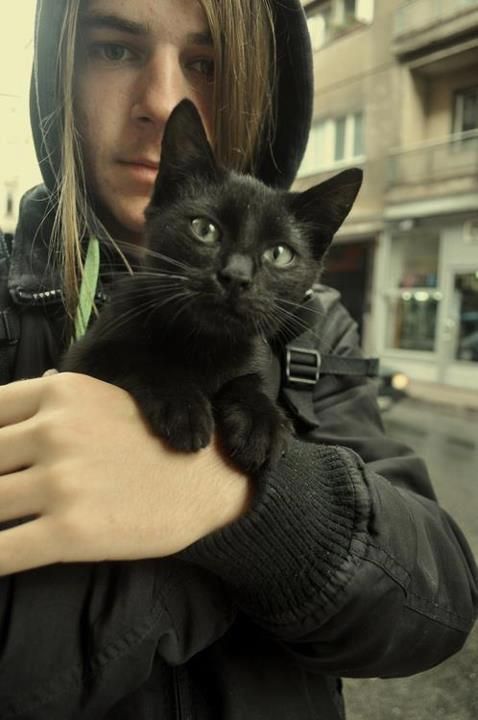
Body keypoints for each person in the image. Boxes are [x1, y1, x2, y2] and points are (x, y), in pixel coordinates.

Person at [0, 0, 476, 717]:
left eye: (206, 63)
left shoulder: (316, 336)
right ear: (58, 77)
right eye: (116, 50)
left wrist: (234, 501)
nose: (163, 102)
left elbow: (435, 603)